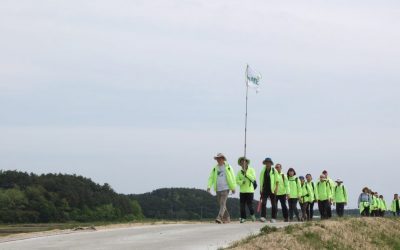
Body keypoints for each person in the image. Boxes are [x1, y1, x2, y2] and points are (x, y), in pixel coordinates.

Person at [207, 153, 236, 224]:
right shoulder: (215, 168)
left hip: (226, 188)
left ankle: (219, 217)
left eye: (219, 158)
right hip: (218, 189)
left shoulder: (228, 167)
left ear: (223, 159)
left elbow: (233, 177)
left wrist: (233, 187)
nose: (218, 160)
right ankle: (227, 218)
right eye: (217, 158)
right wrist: (209, 186)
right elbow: (211, 178)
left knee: (223, 203)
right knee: (222, 205)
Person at [236, 157, 256, 223]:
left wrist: (246, 173)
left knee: (250, 205)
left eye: (244, 162)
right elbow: (237, 181)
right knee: (242, 205)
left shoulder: (251, 170)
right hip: (242, 191)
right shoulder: (239, 172)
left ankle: (252, 215)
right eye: (241, 163)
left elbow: (253, 179)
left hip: (250, 191)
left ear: (247, 163)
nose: (243, 164)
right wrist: (242, 182)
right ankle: (243, 218)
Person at [259, 157, 279, 223]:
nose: (267, 163)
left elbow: (277, 181)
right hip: (264, 189)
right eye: (266, 162)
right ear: (265, 163)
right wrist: (260, 189)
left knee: (273, 204)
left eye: (269, 162)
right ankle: (263, 217)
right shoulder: (262, 171)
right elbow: (261, 180)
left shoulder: (274, 170)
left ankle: (273, 218)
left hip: (272, 190)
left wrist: (276, 189)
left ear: (271, 163)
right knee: (263, 203)